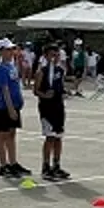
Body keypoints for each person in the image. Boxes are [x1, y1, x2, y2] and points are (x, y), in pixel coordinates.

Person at [33, 44, 70, 181]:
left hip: (59, 107)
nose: (54, 58)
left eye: (57, 55)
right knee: (50, 137)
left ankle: (57, 165)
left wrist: (64, 93)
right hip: (47, 108)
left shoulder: (60, 70)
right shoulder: (42, 71)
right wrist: (44, 95)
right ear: (46, 56)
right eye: (52, 55)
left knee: (59, 136)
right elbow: (36, 90)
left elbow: (61, 86)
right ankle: (45, 166)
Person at [0, 39, 29, 178]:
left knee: (12, 134)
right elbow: (5, 89)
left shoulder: (11, 66)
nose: (11, 52)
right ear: (1, 51)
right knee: (2, 135)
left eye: (12, 49)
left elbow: (15, 86)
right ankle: (3, 165)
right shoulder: (1, 68)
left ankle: (13, 163)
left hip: (15, 105)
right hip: (4, 107)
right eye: (8, 50)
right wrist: (10, 108)